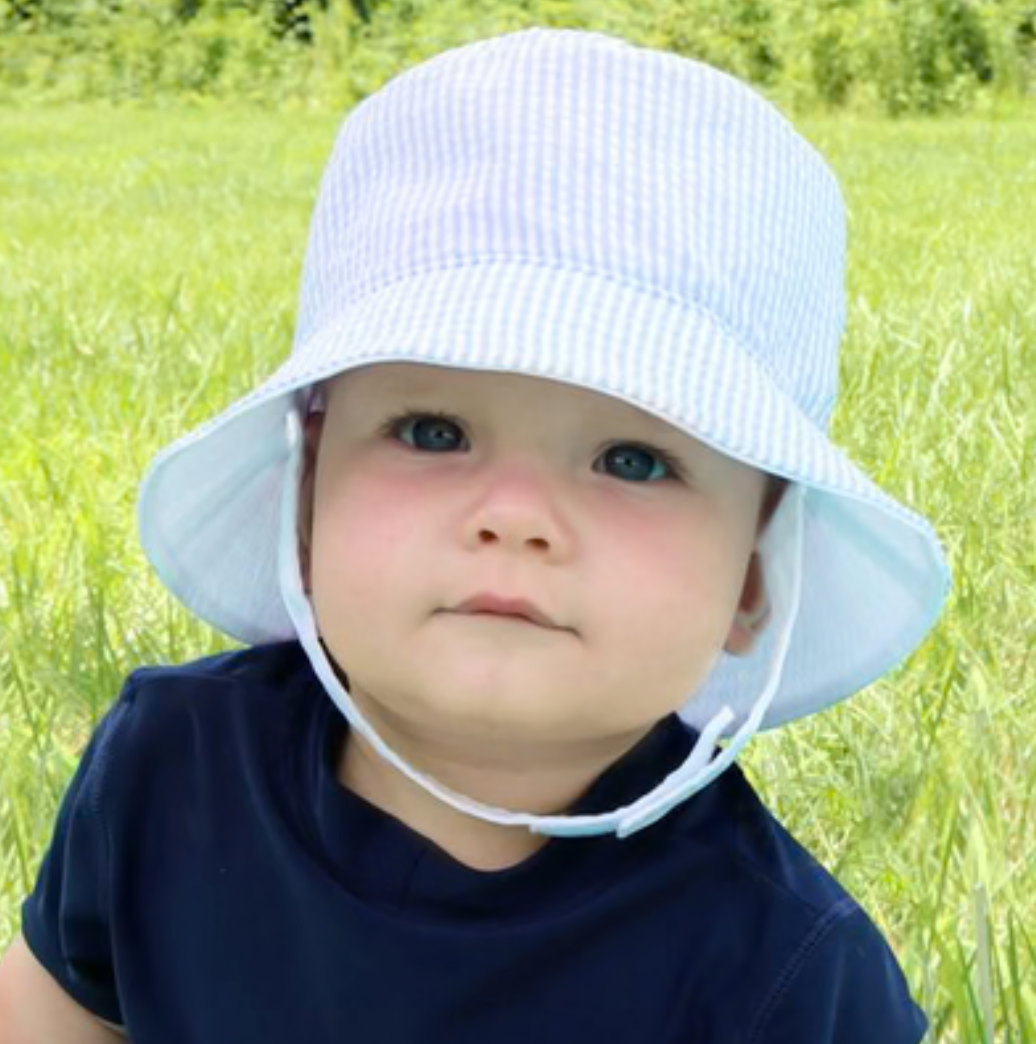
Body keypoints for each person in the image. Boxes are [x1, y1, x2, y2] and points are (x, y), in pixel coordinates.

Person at [0, 26, 950, 1043]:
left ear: (754, 573)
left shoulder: (777, 972)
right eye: (432, 431)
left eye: (632, 460)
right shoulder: (170, 771)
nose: (515, 516)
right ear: (309, 487)